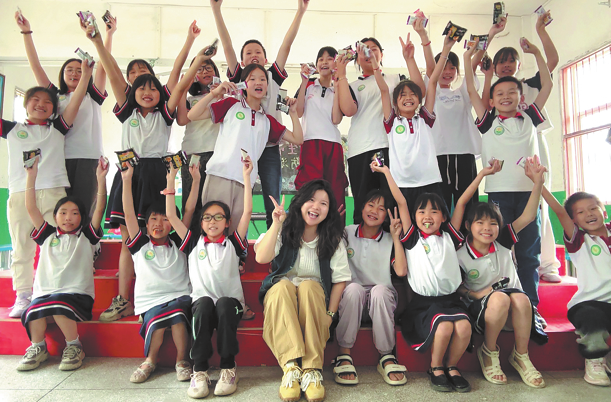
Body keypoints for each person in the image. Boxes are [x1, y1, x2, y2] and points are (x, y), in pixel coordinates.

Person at [83, 21, 211, 322]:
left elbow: (179, 79)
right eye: (141, 87)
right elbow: (112, 72)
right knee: (129, 240)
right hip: (129, 175)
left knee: (159, 234)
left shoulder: (165, 114)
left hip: (156, 174)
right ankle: (124, 299)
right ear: (132, 92)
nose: (148, 91)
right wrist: (99, 39)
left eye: (153, 87)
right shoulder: (126, 110)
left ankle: (159, 294)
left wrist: (194, 50)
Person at [463, 37, 553, 313]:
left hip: (528, 194)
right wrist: (467, 58)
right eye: (500, 93)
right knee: (500, 252)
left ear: (520, 97)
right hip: (499, 195)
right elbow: (471, 88)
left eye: (512, 92)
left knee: (528, 252)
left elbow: (548, 85)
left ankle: (531, 307)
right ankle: (500, 305)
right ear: (492, 100)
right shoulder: (488, 121)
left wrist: (535, 52)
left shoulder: (530, 118)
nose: (505, 97)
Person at [396, 160, 499, 393]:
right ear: (414, 216)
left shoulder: (450, 237)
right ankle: (435, 368)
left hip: (452, 301)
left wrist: (482, 173)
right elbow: (401, 201)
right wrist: (385, 172)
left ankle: (452, 367)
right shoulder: (412, 239)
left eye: (434, 211)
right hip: (423, 305)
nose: (427, 216)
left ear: (444, 217)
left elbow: (461, 201)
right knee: (443, 327)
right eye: (421, 211)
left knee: (463, 327)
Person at [3, 62, 93, 318]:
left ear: (54, 109)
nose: (41, 104)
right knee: (22, 247)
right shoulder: (13, 130)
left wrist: (86, 74)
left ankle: (52, 291)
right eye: (35, 100)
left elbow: (76, 100)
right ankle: (23, 295)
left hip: (54, 195)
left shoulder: (58, 128)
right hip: (21, 193)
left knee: (55, 246)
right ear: (26, 104)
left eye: (47, 102)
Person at [211, 0, 308, 229]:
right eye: (248, 53)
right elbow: (227, 46)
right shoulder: (238, 78)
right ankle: (235, 243)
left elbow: (286, 45)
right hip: (243, 149)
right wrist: (216, 10)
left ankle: (274, 243)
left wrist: (300, 12)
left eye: (258, 52)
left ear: (266, 60)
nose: (253, 55)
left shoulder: (272, 77)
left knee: (272, 201)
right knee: (237, 201)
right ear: (242, 62)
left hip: (270, 147)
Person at [482, 11, 562, 283]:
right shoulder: (491, 101)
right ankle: (508, 278)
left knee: (537, 213)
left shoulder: (528, 86)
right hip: (503, 162)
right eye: (501, 62)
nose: (506, 65)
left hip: (532, 147)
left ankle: (546, 265)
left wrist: (539, 37)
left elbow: (551, 65)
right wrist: (492, 34)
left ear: (518, 64)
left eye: (511, 61)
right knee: (505, 227)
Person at [255, 180, 351, 402]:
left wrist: (330, 315)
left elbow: (340, 281)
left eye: (323, 203)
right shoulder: (285, 230)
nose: (316, 207)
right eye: (311, 200)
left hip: (314, 301)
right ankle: (290, 369)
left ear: (329, 210)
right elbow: (261, 257)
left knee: (309, 286)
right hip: (283, 298)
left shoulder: (333, 239)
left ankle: (311, 370)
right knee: (282, 286)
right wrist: (276, 224)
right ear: (300, 203)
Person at [165, 157, 252, 398]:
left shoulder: (233, 243)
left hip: (230, 306)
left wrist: (246, 177)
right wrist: (171, 180)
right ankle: (200, 370)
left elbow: (247, 211)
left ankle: (228, 367)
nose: (212, 221)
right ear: (201, 223)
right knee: (202, 304)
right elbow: (171, 216)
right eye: (207, 217)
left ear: (228, 222)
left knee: (224, 303)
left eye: (218, 217)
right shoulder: (193, 243)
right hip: (203, 305)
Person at [457, 157, 548, 388]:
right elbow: (458, 289)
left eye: (493, 223)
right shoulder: (460, 254)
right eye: (480, 223)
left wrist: (537, 182)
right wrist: (478, 294)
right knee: (499, 298)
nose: (487, 228)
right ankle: (489, 351)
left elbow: (528, 216)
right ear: (468, 226)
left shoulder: (503, 241)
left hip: (516, 313)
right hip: (485, 314)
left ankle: (521, 355)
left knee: (521, 298)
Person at [16, 11, 114, 215]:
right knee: (60, 213)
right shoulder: (54, 96)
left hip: (88, 159)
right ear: (62, 73)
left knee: (84, 212)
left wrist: (108, 34)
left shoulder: (93, 96)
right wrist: (26, 32)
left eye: (79, 70)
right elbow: (36, 66)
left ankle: (88, 238)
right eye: (70, 69)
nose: (74, 73)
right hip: (59, 159)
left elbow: (104, 67)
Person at [187, 64, 303, 235]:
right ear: (244, 84)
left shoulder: (268, 121)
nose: (258, 82)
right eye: (252, 79)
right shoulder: (231, 104)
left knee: (236, 236)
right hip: (220, 175)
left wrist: (293, 113)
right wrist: (214, 93)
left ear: (267, 86)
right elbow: (192, 115)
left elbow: (298, 139)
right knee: (213, 233)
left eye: (263, 79)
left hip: (245, 184)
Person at [17, 157, 107, 371]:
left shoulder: (86, 236)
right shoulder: (47, 235)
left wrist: (101, 179)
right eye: (63, 213)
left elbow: (99, 208)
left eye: (75, 213)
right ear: (55, 216)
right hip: (45, 293)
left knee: (58, 306)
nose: (68, 218)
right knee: (33, 311)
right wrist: (31, 175)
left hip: (77, 295)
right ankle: (38, 347)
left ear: (82, 217)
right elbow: (31, 207)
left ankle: (74, 346)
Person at [413, 15, 506, 216]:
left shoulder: (463, 93)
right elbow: (431, 69)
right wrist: (425, 37)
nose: (447, 71)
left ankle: (468, 236)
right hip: (438, 156)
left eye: (452, 68)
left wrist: (491, 33)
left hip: (465, 156)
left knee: (469, 206)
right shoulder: (431, 92)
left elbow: (473, 63)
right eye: (444, 67)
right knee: (440, 207)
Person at [333, 161, 409, 386]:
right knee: (353, 289)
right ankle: (344, 352)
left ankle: (386, 355)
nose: (374, 211)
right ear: (362, 207)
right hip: (351, 302)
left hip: (381, 302)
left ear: (387, 215)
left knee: (379, 291)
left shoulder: (388, 240)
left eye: (381, 208)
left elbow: (401, 271)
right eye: (370, 205)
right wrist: (333, 226)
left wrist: (396, 238)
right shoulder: (347, 233)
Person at [335, 33, 425, 224]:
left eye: (373, 49)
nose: (368, 52)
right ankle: (361, 241)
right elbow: (348, 110)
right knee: (363, 203)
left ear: (382, 54)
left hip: (391, 147)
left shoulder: (395, 78)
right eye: (363, 50)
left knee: (392, 203)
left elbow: (419, 91)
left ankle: (394, 241)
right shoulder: (352, 85)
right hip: (361, 149)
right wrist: (341, 75)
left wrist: (409, 59)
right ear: (357, 58)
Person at [121, 164, 192, 384]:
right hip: (150, 300)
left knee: (178, 317)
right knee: (157, 322)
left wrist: (192, 181)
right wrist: (126, 180)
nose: (159, 224)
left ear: (173, 223)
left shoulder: (180, 242)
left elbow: (189, 210)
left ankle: (182, 361)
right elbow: (128, 214)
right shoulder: (140, 245)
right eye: (153, 218)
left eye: (165, 219)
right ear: (146, 222)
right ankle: (150, 360)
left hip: (179, 296)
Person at [536, 186, 611, 386]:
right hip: (589, 304)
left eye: (593, 208)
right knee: (592, 318)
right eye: (581, 212)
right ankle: (595, 360)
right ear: (574, 221)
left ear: (603, 212)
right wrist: (539, 184)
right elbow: (560, 212)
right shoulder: (579, 240)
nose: (589, 214)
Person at [374, 32, 452, 212]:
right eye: (403, 95)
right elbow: (384, 90)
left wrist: (446, 49)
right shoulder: (392, 122)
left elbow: (432, 82)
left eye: (412, 94)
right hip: (401, 184)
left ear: (419, 99)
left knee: (434, 223)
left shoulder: (424, 118)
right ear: (396, 102)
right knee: (405, 226)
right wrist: (375, 65)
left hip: (429, 182)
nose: (408, 98)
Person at [294, 46, 347, 211]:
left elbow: (336, 119)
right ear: (316, 64)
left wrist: (337, 88)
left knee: (335, 190)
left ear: (336, 63)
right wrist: (304, 81)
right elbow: (298, 111)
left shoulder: (340, 87)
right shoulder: (309, 84)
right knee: (309, 190)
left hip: (333, 145)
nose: (324, 62)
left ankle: (336, 226)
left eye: (329, 59)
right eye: (321, 59)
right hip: (310, 143)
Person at [175, 57, 222, 225]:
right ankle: (190, 239)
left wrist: (219, 94)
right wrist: (183, 88)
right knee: (191, 203)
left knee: (215, 203)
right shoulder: (189, 100)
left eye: (208, 67)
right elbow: (182, 119)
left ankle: (214, 237)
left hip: (217, 154)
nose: (204, 72)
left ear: (216, 71)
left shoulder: (224, 96)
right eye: (199, 69)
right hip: (193, 154)